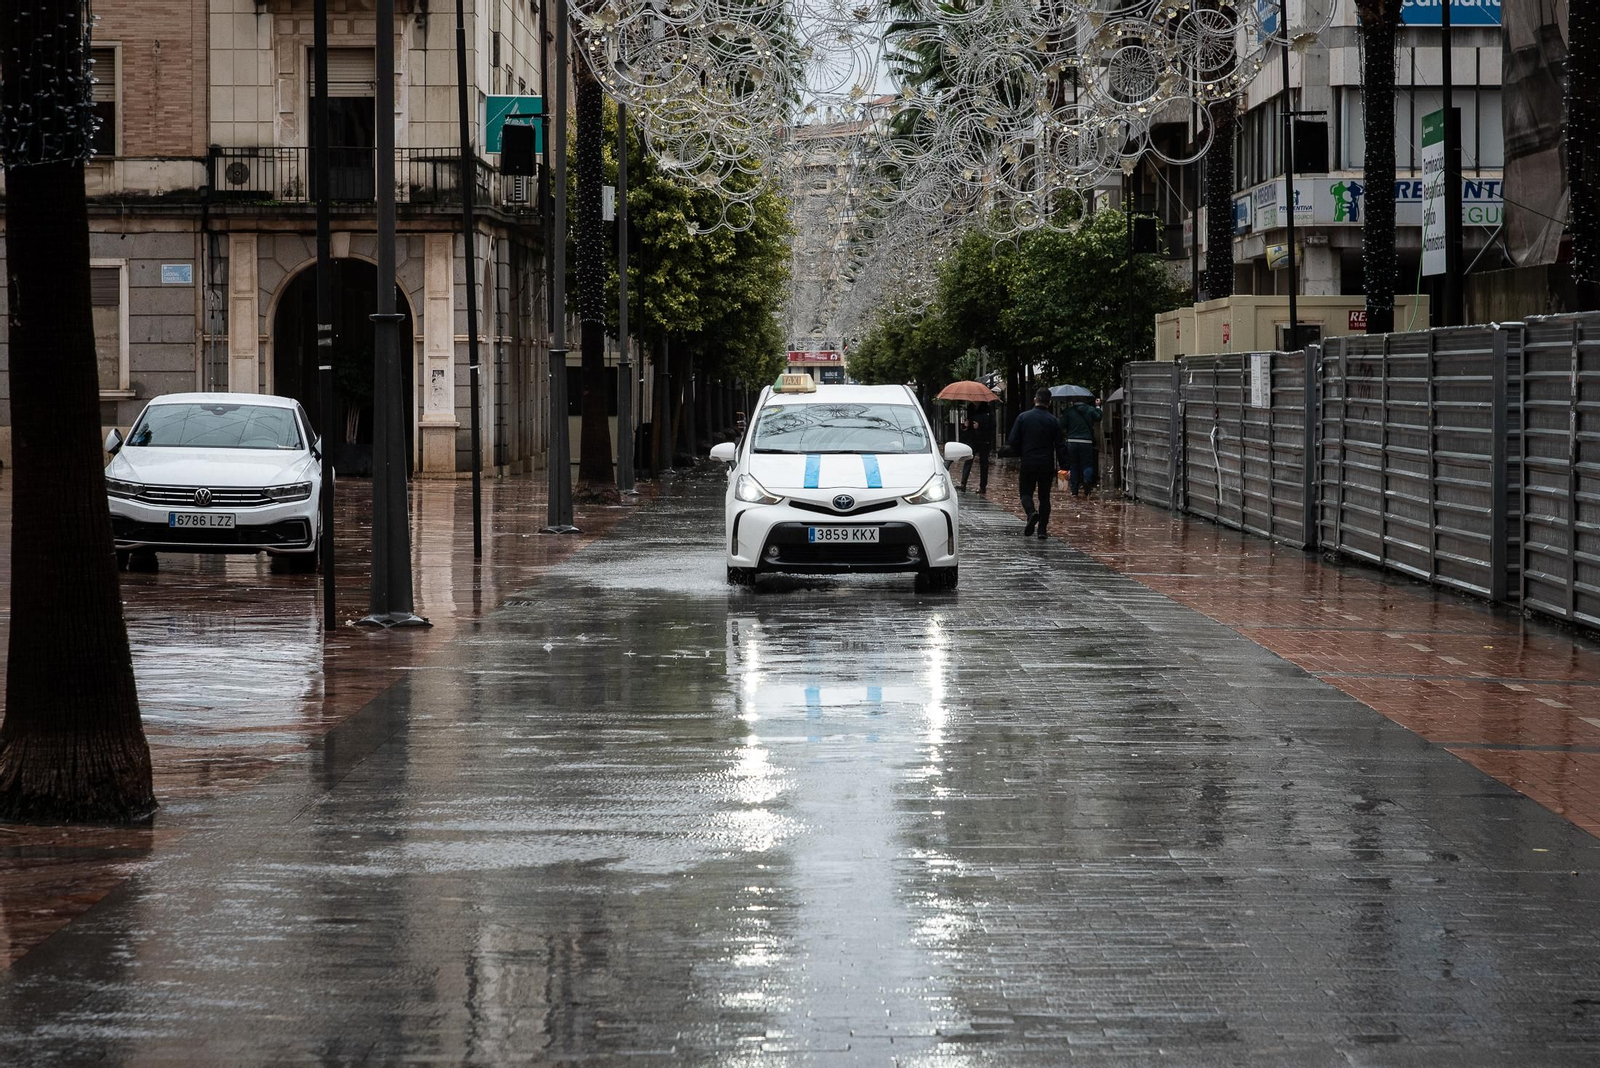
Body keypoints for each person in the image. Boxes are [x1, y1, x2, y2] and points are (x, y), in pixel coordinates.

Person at [1008, 387, 1063, 539]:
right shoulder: (1054, 421)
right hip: (1046, 463)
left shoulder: (1023, 418)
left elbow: (1013, 440)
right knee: (1044, 497)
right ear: (1049, 402)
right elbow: (1060, 445)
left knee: (1025, 493)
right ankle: (1042, 530)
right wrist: (1065, 466)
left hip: (1028, 461)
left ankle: (1031, 512)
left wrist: (1021, 452)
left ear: (1035, 400)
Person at [1059, 395, 1103, 498]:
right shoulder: (1090, 409)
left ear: (1073, 399)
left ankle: (1074, 491)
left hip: (1072, 441)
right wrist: (1097, 406)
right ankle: (1087, 483)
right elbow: (1099, 417)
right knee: (1087, 465)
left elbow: (1062, 425)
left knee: (1074, 465)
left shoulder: (1069, 411)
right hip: (1086, 442)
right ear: (1084, 399)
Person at [958, 402, 994, 493]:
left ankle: (983, 486)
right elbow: (966, 428)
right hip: (972, 440)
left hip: (984, 440)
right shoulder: (970, 409)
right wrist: (965, 426)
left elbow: (992, 426)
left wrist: (980, 426)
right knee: (968, 460)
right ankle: (963, 483)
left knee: (984, 464)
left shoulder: (987, 410)